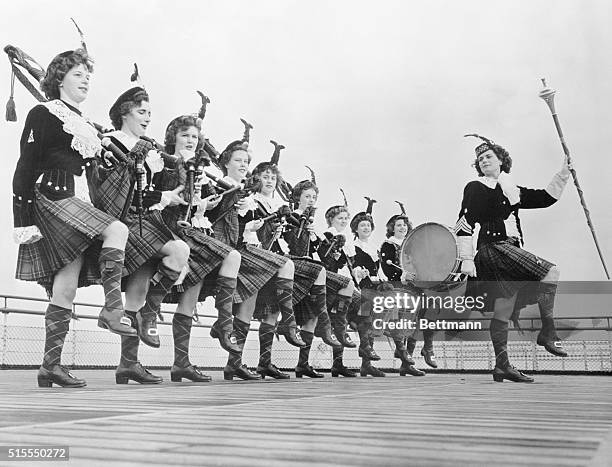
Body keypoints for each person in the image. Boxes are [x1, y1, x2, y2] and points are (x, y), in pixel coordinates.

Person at [12, 49, 135, 388]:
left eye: (87, 76)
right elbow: (24, 167)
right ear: (59, 78)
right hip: (53, 198)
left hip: (78, 202)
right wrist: (21, 221)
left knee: (65, 289)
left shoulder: (84, 123)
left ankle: (50, 367)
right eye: (78, 74)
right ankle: (112, 310)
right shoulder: (43, 113)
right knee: (117, 229)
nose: (85, 81)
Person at [455, 135, 571, 383]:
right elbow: (464, 223)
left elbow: (545, 198)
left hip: (506, 249)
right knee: (551, 271)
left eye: (488, 157)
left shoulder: (511, 189)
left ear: (501, 161)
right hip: (493, 248)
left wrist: (564, 173)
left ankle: (502, 366)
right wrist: (466, 259)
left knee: (504, 308)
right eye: (480, 159)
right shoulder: (476, 187)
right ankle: (547, 334)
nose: (483, 161)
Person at [97, 87, 190, 384]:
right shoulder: (110, 142)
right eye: (141, 112)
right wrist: (160, 196)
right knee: (173, 256)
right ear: (124, 112)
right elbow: (115, 190)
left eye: (150, 113)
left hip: (149, 221)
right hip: (124, 219)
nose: (148, 118)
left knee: (147, 283)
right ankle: (141, 329)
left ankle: (129, 362)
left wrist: (177, 163)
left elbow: (168, 187)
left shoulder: (149, 148)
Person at [204, 140, 303, 380]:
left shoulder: (245, 195)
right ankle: (286, 324)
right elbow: (219, 224)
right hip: (227, 249)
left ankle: (233, 363)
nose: (242, 165)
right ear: (225, 162)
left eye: (245, 161)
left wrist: (251, 226)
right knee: (285, 264)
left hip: (241, 248)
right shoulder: (219, 186)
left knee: (249, 304)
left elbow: (240, 229)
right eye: (238, 160)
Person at [156, 115, 242, 382]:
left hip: (195, 230)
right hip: (168, 228)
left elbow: (199, 205)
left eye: (194, 136)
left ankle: (181, 363)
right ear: (173, 137)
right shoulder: (164, 163)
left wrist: (210, 203)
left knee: (190, 297)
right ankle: (223, 324)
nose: (191, 140)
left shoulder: (202, 169)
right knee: (231, 255)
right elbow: (159, 196)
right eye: (185, 135)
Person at [250, 161, 341, 379]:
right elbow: (281, 243)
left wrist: (315, 239)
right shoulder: (263, 206)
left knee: (304, 313)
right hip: (274, 261)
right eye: (307, 196)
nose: (311, 200)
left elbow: (312, 253)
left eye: (314, 198)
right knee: (271, 311)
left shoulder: (299, 217)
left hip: (291, 267)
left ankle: (300, 363)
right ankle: (265, 361)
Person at [322, 202, 378, 377]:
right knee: (344, 320)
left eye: (346, 218)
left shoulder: (345, 240)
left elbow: (347, 266)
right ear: (331, 219)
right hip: (333, 285)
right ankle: (362, 350)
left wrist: (358, 272)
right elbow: (325, 262)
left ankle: (347, 360)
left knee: (356, 315)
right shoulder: (327, 236)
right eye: (340, 218)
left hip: (347, 284)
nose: (344, 221)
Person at [380, 212, 427, 376]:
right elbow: (387, 268)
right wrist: (402, 275)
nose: (402, 227)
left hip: (414, 288)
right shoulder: (388, 245)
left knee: (418, 322)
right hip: (397, 287)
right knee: (402, 323)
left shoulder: (410, 245)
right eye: (398, 225)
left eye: (404, 225)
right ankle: (405, 359)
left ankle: (407, 361)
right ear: (392, 228)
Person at [350, 199, 386, 377]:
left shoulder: (374, 247)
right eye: (362, 225)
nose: (366, 228)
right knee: (366, 319)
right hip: (361, 285)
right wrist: (358, 271)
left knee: (372, 320)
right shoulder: (353, 246)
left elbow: (378, 269)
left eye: (368, 225)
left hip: (374, 284)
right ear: (356, 228)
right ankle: (365, 350)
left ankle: (366, 363)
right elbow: (351, 266)